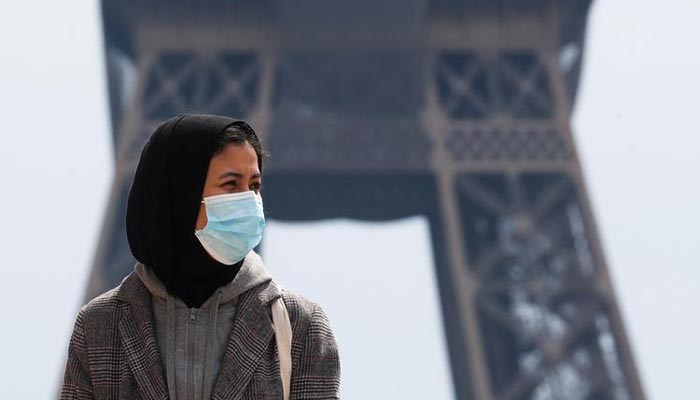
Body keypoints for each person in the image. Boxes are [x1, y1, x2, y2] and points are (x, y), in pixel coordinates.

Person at [60, 114, 341, 399]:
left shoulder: (301, 326)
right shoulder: (99, 326)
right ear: (182, 195)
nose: (248, 200)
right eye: (231, 185)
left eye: (254, 186)